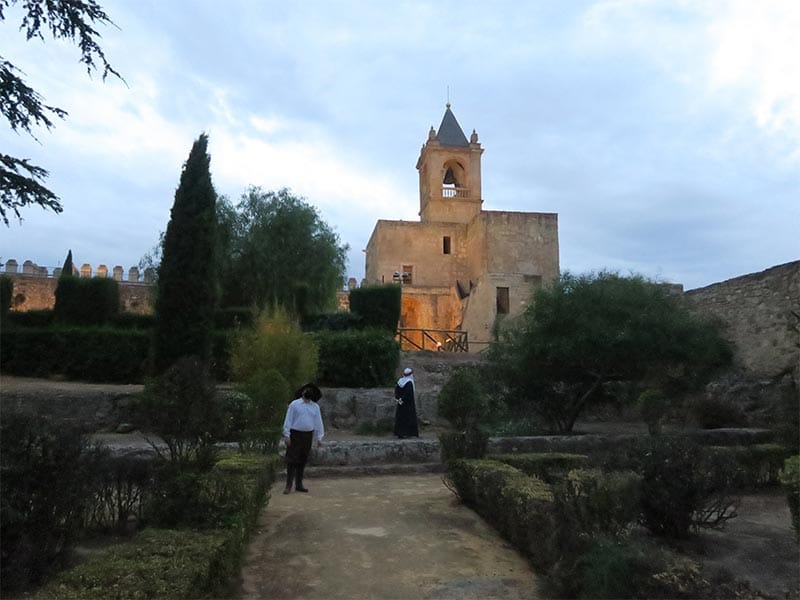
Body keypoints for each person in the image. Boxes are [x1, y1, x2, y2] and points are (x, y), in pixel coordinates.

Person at [281, 386, 325, 494]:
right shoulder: (294, 404)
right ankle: (288, 485)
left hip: (307, 435)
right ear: (302, 392)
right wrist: (287, 435)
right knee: (292, 460)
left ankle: (299, 484)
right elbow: (288, 419)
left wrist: (320, 437)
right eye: (306, 391)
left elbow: (318, 422)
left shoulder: (315, 407)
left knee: (302, 459)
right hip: (295, 434)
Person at [394, 367, 419, 439]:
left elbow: (396, 392)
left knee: (400, 418)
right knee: (408, 417)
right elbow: (409, 394)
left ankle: (400, 433)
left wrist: (399, 399)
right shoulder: (409, 382)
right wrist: (403, 399)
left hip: (400, 403)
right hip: (408, 404)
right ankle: (408, 433)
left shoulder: (399, 381)